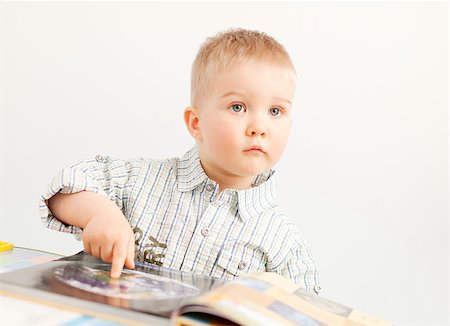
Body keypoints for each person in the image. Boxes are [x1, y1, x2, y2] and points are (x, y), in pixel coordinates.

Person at [39, 28, 321, 294]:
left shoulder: (283, 243)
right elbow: (64, 188)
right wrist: (99, 214)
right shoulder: (140, 180)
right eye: (238, 107)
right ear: (196, 123)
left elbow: (308, 313)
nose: (259, 127)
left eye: (275, 110)